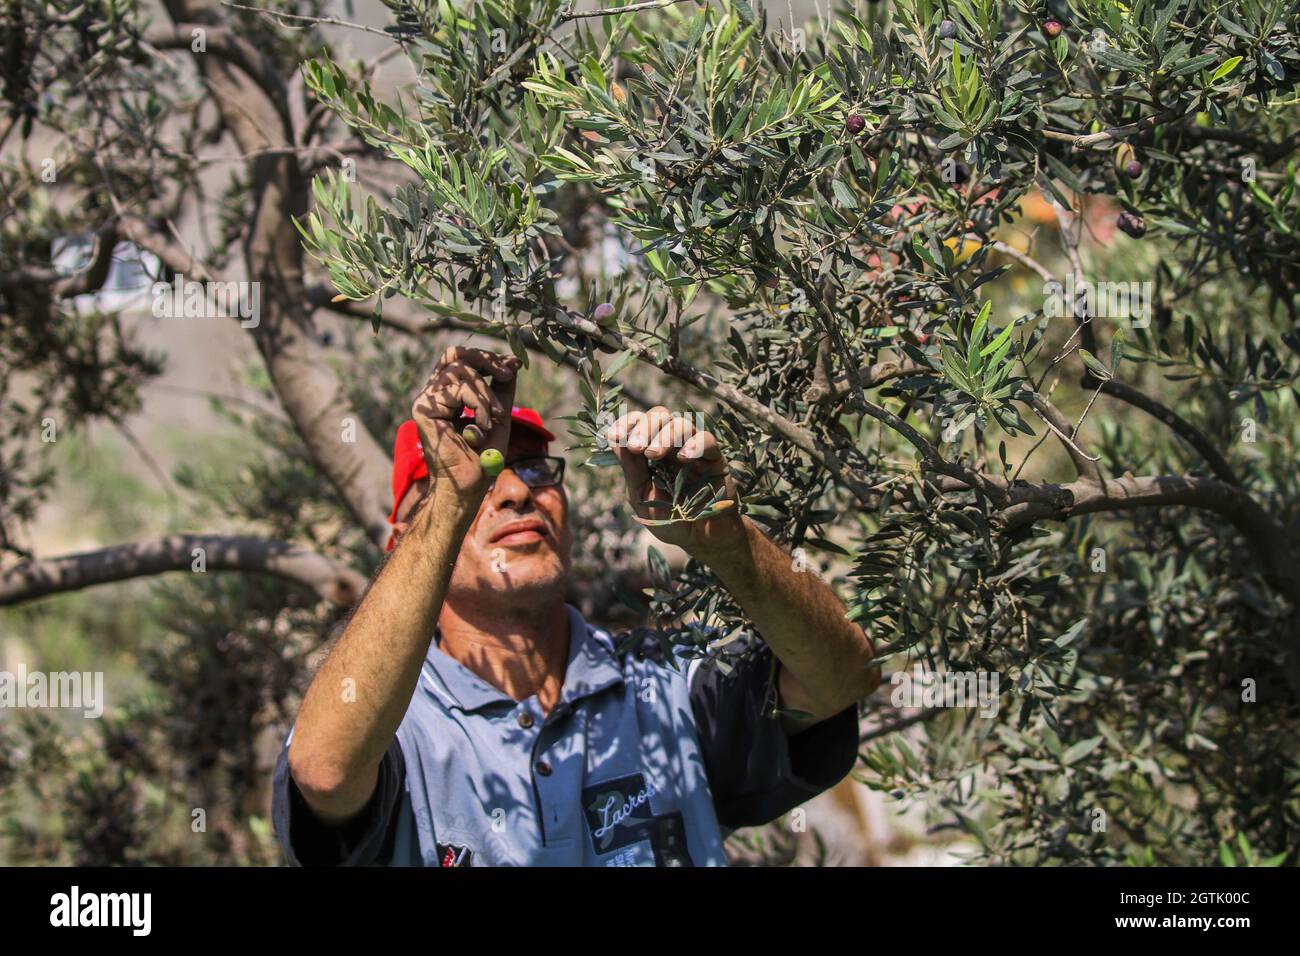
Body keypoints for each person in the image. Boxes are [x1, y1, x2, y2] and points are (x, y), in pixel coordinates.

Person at [272, 346, 880, 866]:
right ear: (404, 539)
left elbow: (840, 678)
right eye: (483, 475)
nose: (514, 490)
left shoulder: (664, 683)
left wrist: (726, 541)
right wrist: (453, 499)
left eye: (534, 467)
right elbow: (325, 770)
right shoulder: (398, 728)